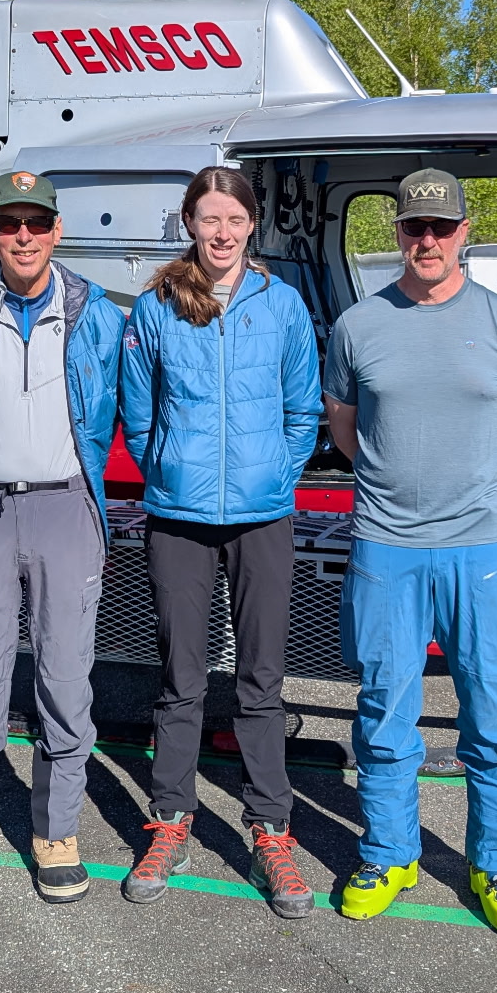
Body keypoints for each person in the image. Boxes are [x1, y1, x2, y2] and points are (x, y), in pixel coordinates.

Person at [321, 168, 497, 934]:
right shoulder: (359, 326)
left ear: (462, 232)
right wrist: (399, 492)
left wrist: (479, 491)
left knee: (491, 707)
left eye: (442, 228)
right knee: (385, 707)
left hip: (479, 549)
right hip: (387, 548)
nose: (428, 240)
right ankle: (390, 853)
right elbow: (348, 432)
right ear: (396, 234)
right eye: (414, 228)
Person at [117, 167, 322, 918]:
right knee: (181, 680)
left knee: (261, 683)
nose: (223, 232)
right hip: (179, 516)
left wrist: (272, 474)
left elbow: (304, 409)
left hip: (264, 515)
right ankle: (170, 822)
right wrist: (171, 471)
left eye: (235, 218)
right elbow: (137, 417)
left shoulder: (284, 308)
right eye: (210, 218)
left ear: (252, 225)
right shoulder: (158, 309)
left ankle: (270, 832)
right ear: (189, 225)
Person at [0, 169, 125, 911]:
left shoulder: (95, 314)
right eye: (10, 224)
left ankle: (55, 834)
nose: (24, 236)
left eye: (37, 222)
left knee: (67, 678)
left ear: (57, 230)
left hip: (67, 508)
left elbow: (117, 406)